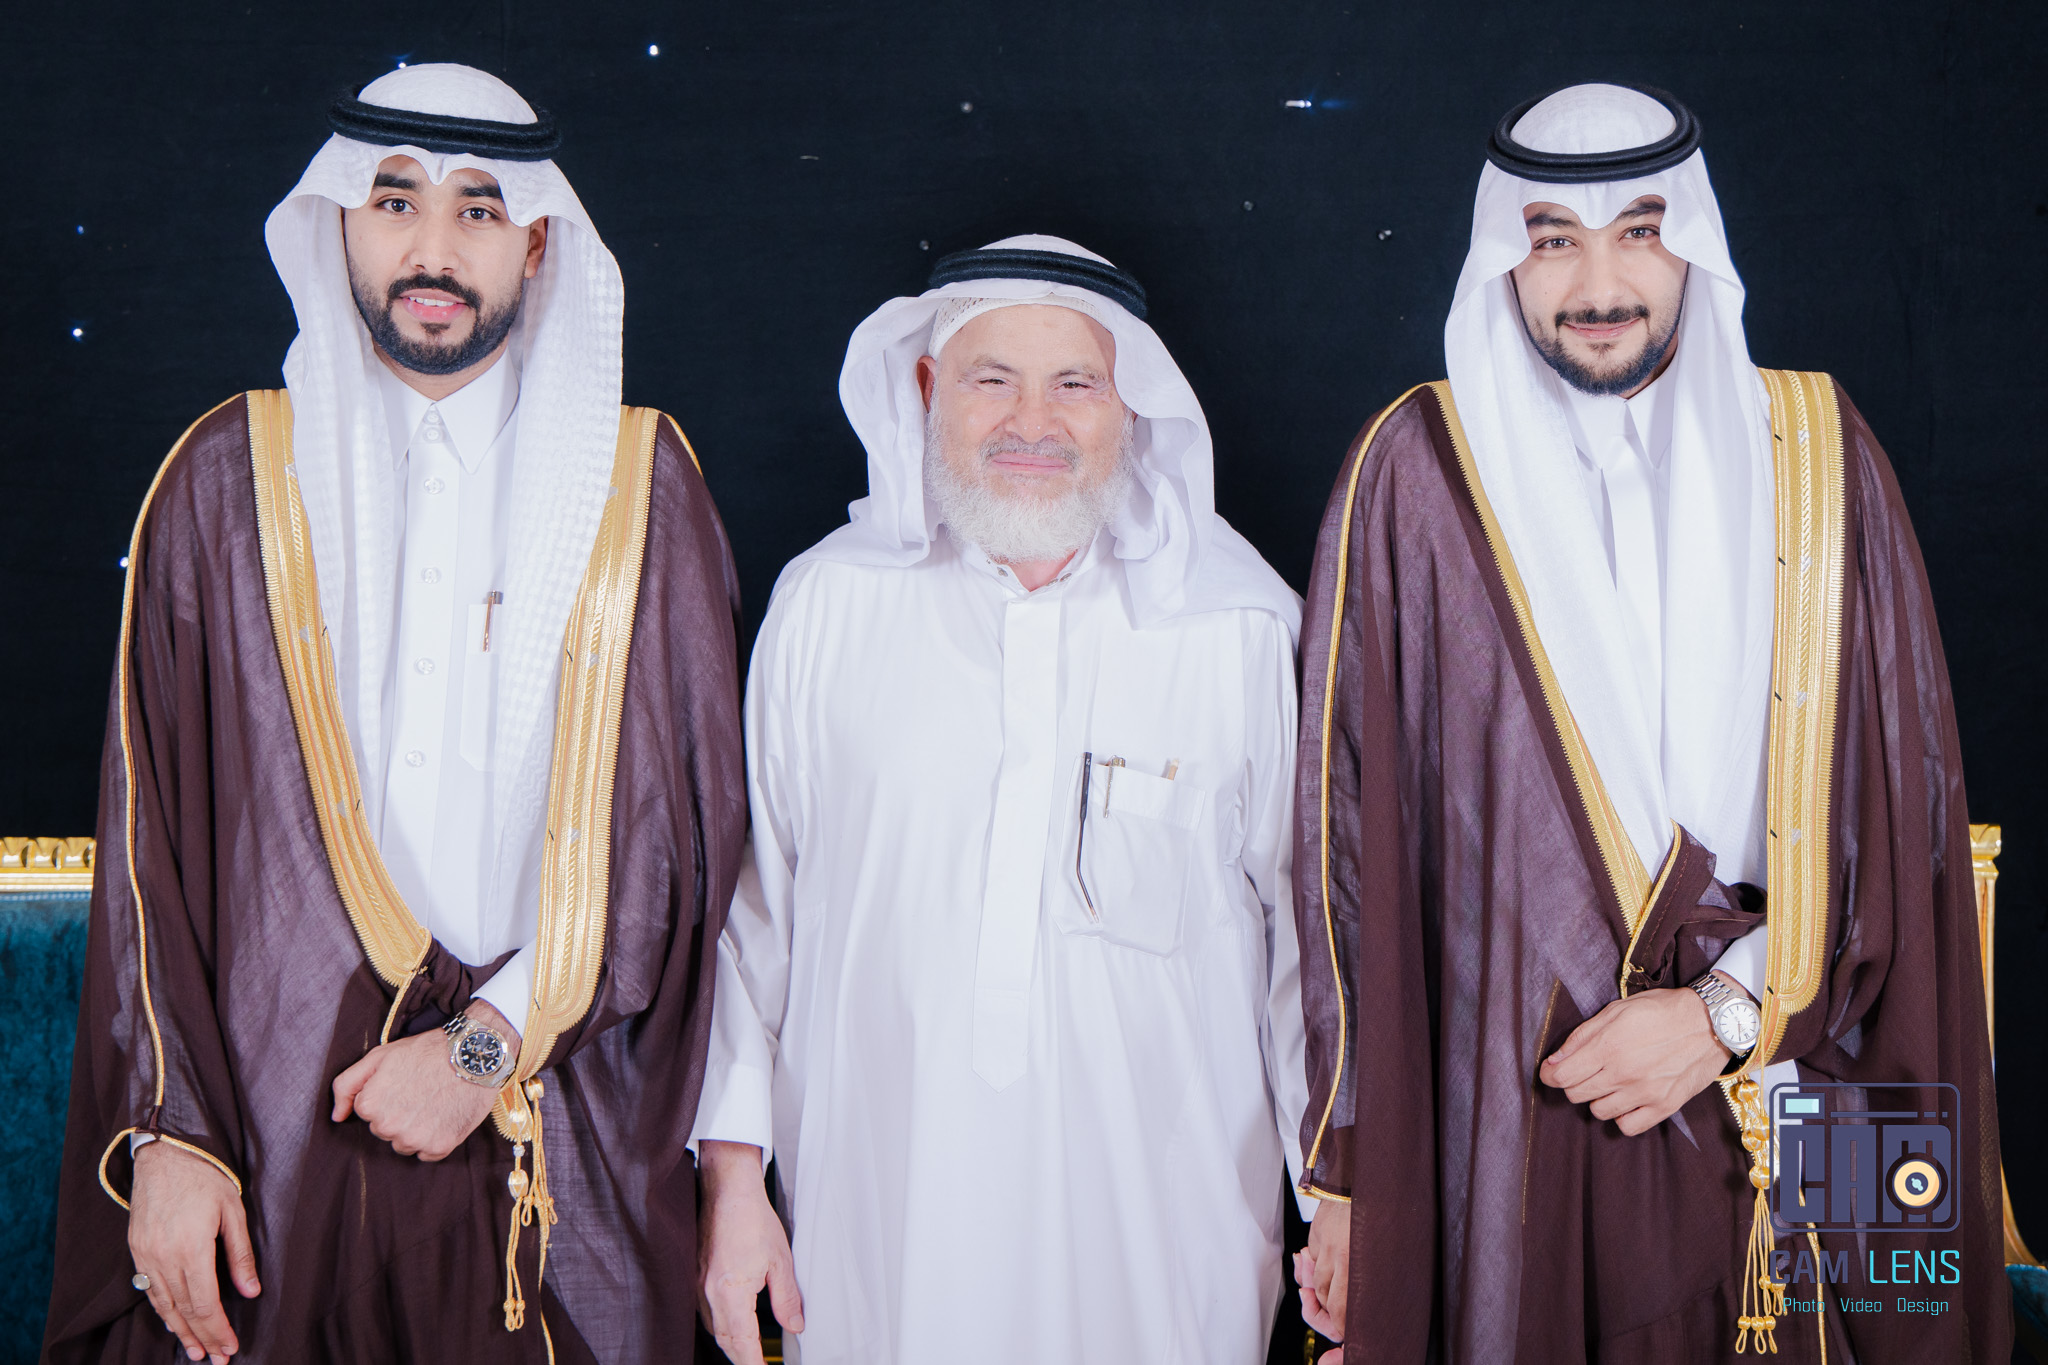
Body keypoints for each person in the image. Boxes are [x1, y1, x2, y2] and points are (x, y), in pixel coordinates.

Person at [1291, 83, 2009, 1362]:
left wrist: (1726, 1014)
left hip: (1797, 1080)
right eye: (1552, 240)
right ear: (1503, 257)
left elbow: (1898, 822)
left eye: (1637, 231)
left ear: (1693, 244)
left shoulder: (1817, 453)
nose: (1597, 284)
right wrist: (1345, 1183)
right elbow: (1344, 859)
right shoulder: (1414, 471)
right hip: (1518, 1114)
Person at [43, 63, 746, 1364]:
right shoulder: (223, 483)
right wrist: (169, 1137)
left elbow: (677, 854)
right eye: (395, 201)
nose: (433, 249)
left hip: (551, 1140)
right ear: (338, 225)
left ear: (539, 244)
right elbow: (149, 855)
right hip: (270, 1147)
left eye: (479, 208)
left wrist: (481, 1049)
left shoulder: (639, 491)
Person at [690, 237, 1313, 1365]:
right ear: (928, 388)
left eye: (1074, 383)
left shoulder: (1238, 629)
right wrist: (733, 1189)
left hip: (1167, 1248)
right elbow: (751, 922)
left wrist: (1340, 1204)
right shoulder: (827, 607)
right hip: (879, 1231)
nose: (1033, 422)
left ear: (1131, 406)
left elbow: (1307, 961)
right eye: (992, 379)